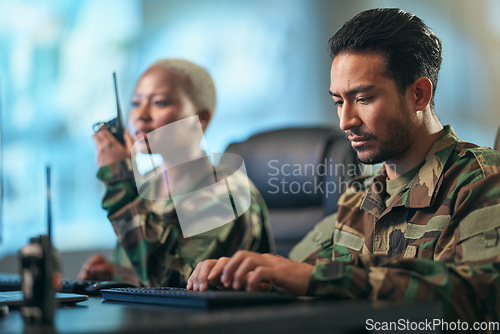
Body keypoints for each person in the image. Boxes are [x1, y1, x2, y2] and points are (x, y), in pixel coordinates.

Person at [187, 8, 500, 323]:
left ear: (418, 94)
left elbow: (478, 296)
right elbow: (295, 271)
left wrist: (318, 279)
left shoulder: (480, 177)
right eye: (339, 102)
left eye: (363, 99)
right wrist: (241, 274)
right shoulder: (359, 197)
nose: (345, 121)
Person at [78, 59, 273, 287]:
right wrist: (119, 273)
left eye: (159, 102)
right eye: (135, 103)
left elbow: (176, 283)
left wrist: (119, 181)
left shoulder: (227, 191)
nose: (141, 115)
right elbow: (149, 272)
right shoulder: (147, 185)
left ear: (200, 119)